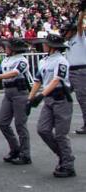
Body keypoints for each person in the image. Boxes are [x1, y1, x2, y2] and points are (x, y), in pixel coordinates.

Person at [28, 34, 77, 178]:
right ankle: (64, 156)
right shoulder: (44, 61)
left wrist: (41, 96)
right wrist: (30, 99)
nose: (43, 45)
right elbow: (37, 80)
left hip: (61, 98)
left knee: (61, 135)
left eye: (46, 43)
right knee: (43, 129)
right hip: (49, 99)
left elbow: (57, 80)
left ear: (52, 47)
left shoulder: (62, 61)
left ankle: (68, 165)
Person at [0, 38, 32, 165]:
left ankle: (25, 154)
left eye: (8, 47)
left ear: (14, 49)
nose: (6, 49)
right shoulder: (6, 60)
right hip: (8, 91)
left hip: (20, 92)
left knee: (20, 124)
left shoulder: (22, 60)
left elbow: (15, 73)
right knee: (2, 121)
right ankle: (15, 148)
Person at [63, 12, 86, 134]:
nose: (65, 33)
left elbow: (79, 25)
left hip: (80, 71)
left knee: (83, 99)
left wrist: (81, 13)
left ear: (72, 31)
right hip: (70, 72)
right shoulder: (68, 42)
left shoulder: (79, 37)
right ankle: (61, 122)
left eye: (66, 31)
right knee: (62, 95)